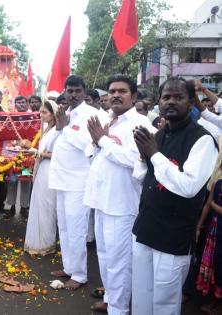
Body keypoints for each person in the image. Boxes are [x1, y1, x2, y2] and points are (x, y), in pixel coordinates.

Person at [131, 77, 218, 315]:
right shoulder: (158, 136)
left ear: (191, 101)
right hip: (145, 228)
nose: (171, 102)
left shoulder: (203, 140)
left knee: (164, 301)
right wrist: (142, 156)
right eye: (166, 97)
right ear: (158, 101)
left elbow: (188, 187)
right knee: (141, 294)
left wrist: (154, 154)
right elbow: (141, 177)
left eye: (178, 97)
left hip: (173, 235)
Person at [84, 75, 155, 315]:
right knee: (104, 257)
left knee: (119, 262)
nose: (115, 95)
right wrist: (97, 142)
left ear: (134, 97)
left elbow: (136, 161)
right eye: (112, 91)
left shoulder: (141, 124)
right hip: (102, 199)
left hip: (122, 204)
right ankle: (112, 300)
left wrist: (103, 141)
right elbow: (90, 151)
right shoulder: (108, 120)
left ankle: (120, 309)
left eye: (122, 91)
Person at [49, 75, 102, 290]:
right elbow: (55, 142)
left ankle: (79, 275)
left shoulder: (92, 115)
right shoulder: (67, 113)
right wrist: (61, 126)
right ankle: (69, 267)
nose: (72, 95)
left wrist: (65, 128)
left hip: (78, 181)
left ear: (84, 92)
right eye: (69, 91)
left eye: (77, 91)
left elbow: (89, 146)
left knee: (77, 229)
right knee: (64, 227)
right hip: (61, 179)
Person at [24, 100, 59, 255]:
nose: (40, 114)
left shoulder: (58, 131)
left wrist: (36, 153)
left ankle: (46, 243)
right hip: (42, 168)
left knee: (47, 206)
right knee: (38, 204)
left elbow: (58, 155)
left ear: (53, 114)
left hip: (50, 170)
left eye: (44, 112)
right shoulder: (46, 129)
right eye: (40, 111)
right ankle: (36, 242)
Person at [196, 151, 222, 315]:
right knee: (212, 262)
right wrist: (199, 226)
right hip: (213, 231)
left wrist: (213, 206)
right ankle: (214, 300)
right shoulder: (217, 184)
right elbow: (206, 206)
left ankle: (219, 304)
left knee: (220, 265)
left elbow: (211, 205)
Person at [4, 96, 32, 218]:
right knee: (12, 180)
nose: (21, 104)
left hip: (28, 154)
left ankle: (24, 207)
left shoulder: (33, 117)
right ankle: (11, 206)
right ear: (15, 104)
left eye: (23, 102)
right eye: (18, 102)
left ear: (27, 104)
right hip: (13, 153)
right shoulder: (10, 116)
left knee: (26, 180)